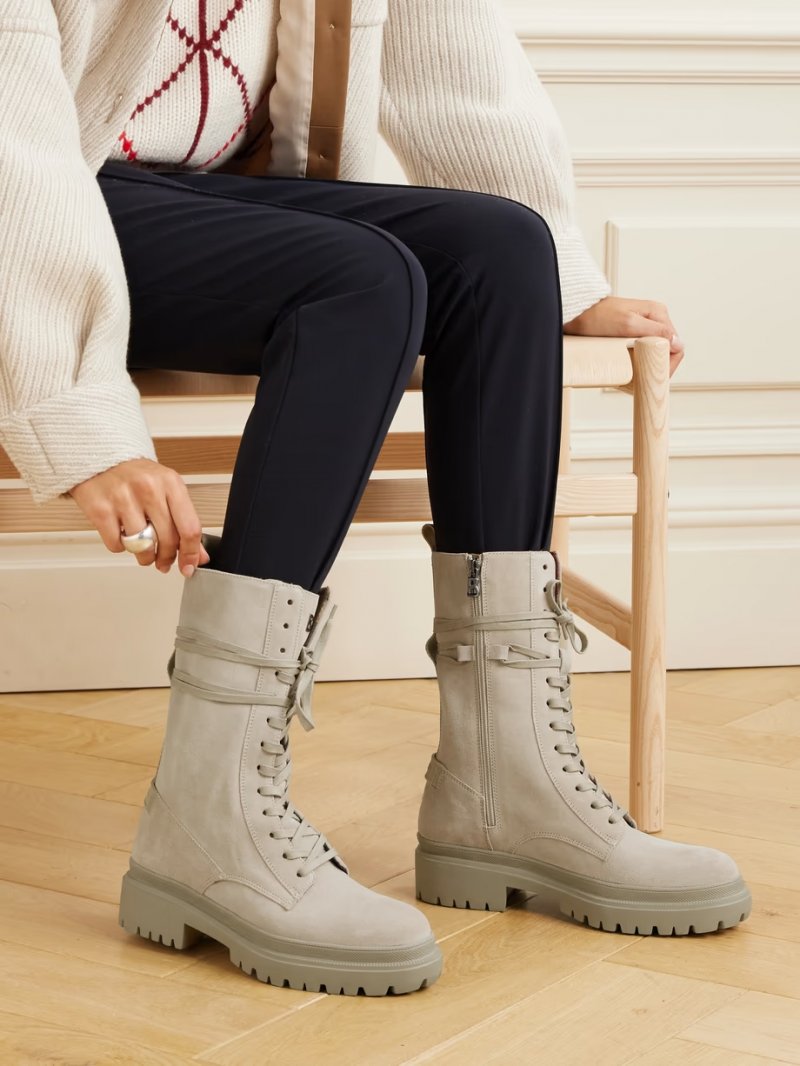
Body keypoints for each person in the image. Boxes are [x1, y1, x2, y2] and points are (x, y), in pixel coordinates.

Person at [1, 1, 750, 998]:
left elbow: (456, 59)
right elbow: (13, 133)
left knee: (501, 251)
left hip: (217, 198)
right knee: (358, 279)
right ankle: (207, 817)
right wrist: (79, 417)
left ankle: (506, 789)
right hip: (45, 194)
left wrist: (568, 284)